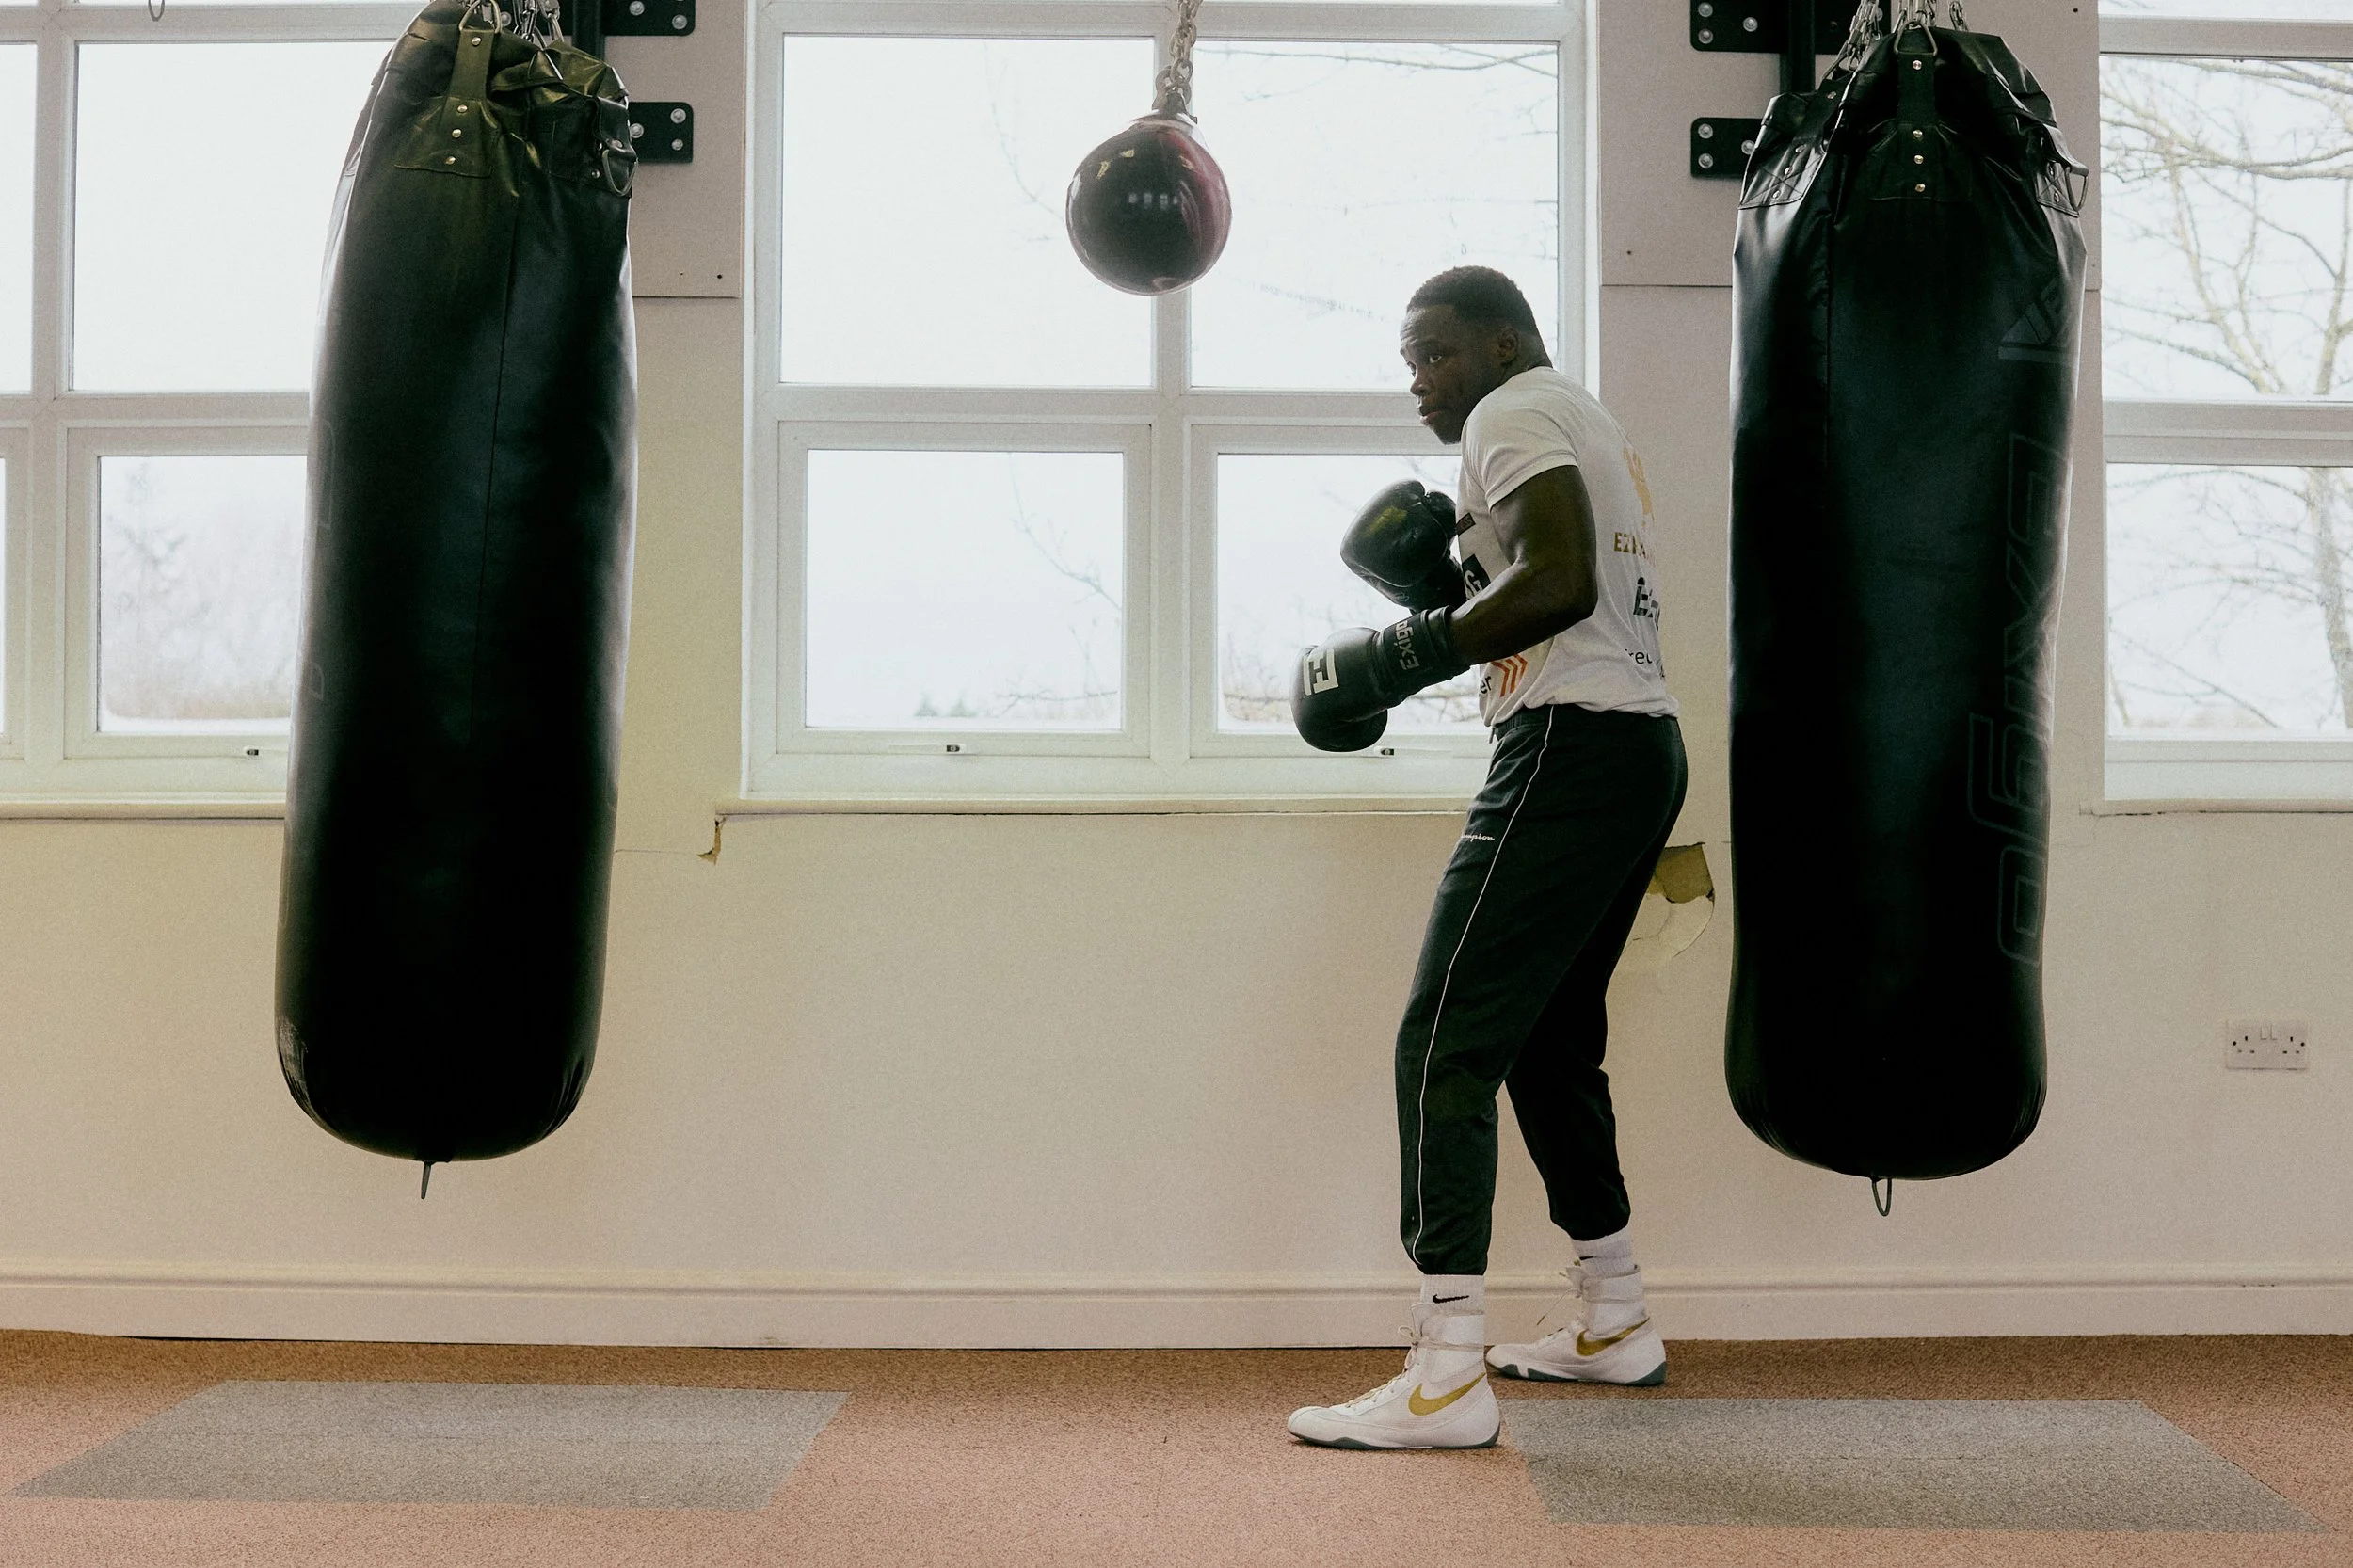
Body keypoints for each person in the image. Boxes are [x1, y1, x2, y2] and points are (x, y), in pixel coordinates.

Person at [1286, 266, 1688, 1450]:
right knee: (1549, 1046)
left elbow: (1558, 585)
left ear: (1503, 341)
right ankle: (1614, 1314)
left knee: (1443, 1040)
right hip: (1635, 747)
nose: (1419, 379)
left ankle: (1447, 1364)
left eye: (1436, 353)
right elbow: (1559, 579)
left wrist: (1406, 649)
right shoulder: (1581, 416)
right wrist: (1459, 583)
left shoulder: (1511, 415)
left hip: (1569, 748)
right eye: (1409, 359)